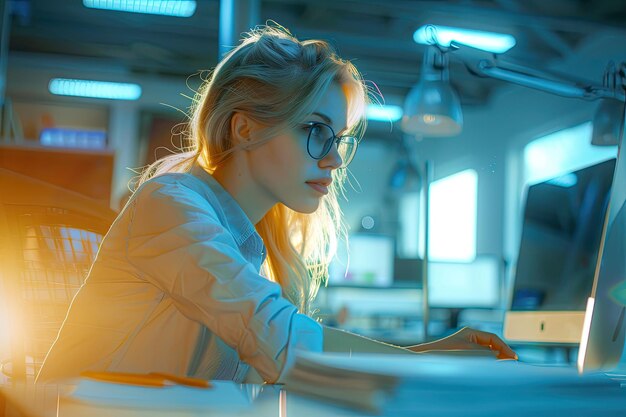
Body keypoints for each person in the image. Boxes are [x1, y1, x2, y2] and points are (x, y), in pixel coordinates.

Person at [37, 23, 516, 385]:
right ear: (245, 128)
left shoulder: (250, 244)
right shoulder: (169, 203)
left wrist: (427, 354)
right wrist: (423, 360)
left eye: (338, 139)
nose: (333, 159)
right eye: (315, 131)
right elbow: (280, 342)